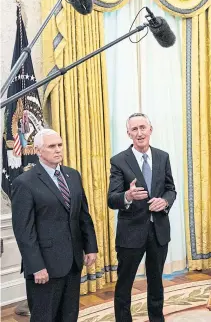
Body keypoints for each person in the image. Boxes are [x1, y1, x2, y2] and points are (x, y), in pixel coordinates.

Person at [11, 129, 98, 321]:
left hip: (73, 262)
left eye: (60, 145)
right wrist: (36, 266)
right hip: (45, 266)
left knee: (69, 316)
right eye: (52, 146)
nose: (58, 150)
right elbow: (24, 230)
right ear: (39, 150)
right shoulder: (24, 182)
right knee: (44, 317)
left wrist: (90, 246)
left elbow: (83, 215)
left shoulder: (73, 175)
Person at [108, 113, 176, 322]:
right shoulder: (119, 160)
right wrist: (127, 196)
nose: (139, 133)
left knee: (156, 282)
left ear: (150, 129)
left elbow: (170, 189)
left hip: (158, 231)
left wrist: (165, 202)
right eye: (134, 129)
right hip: (131, 233)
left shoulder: (163, 156)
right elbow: (112, 199)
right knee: (124, 285)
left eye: (142, 128)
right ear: (128, 133)